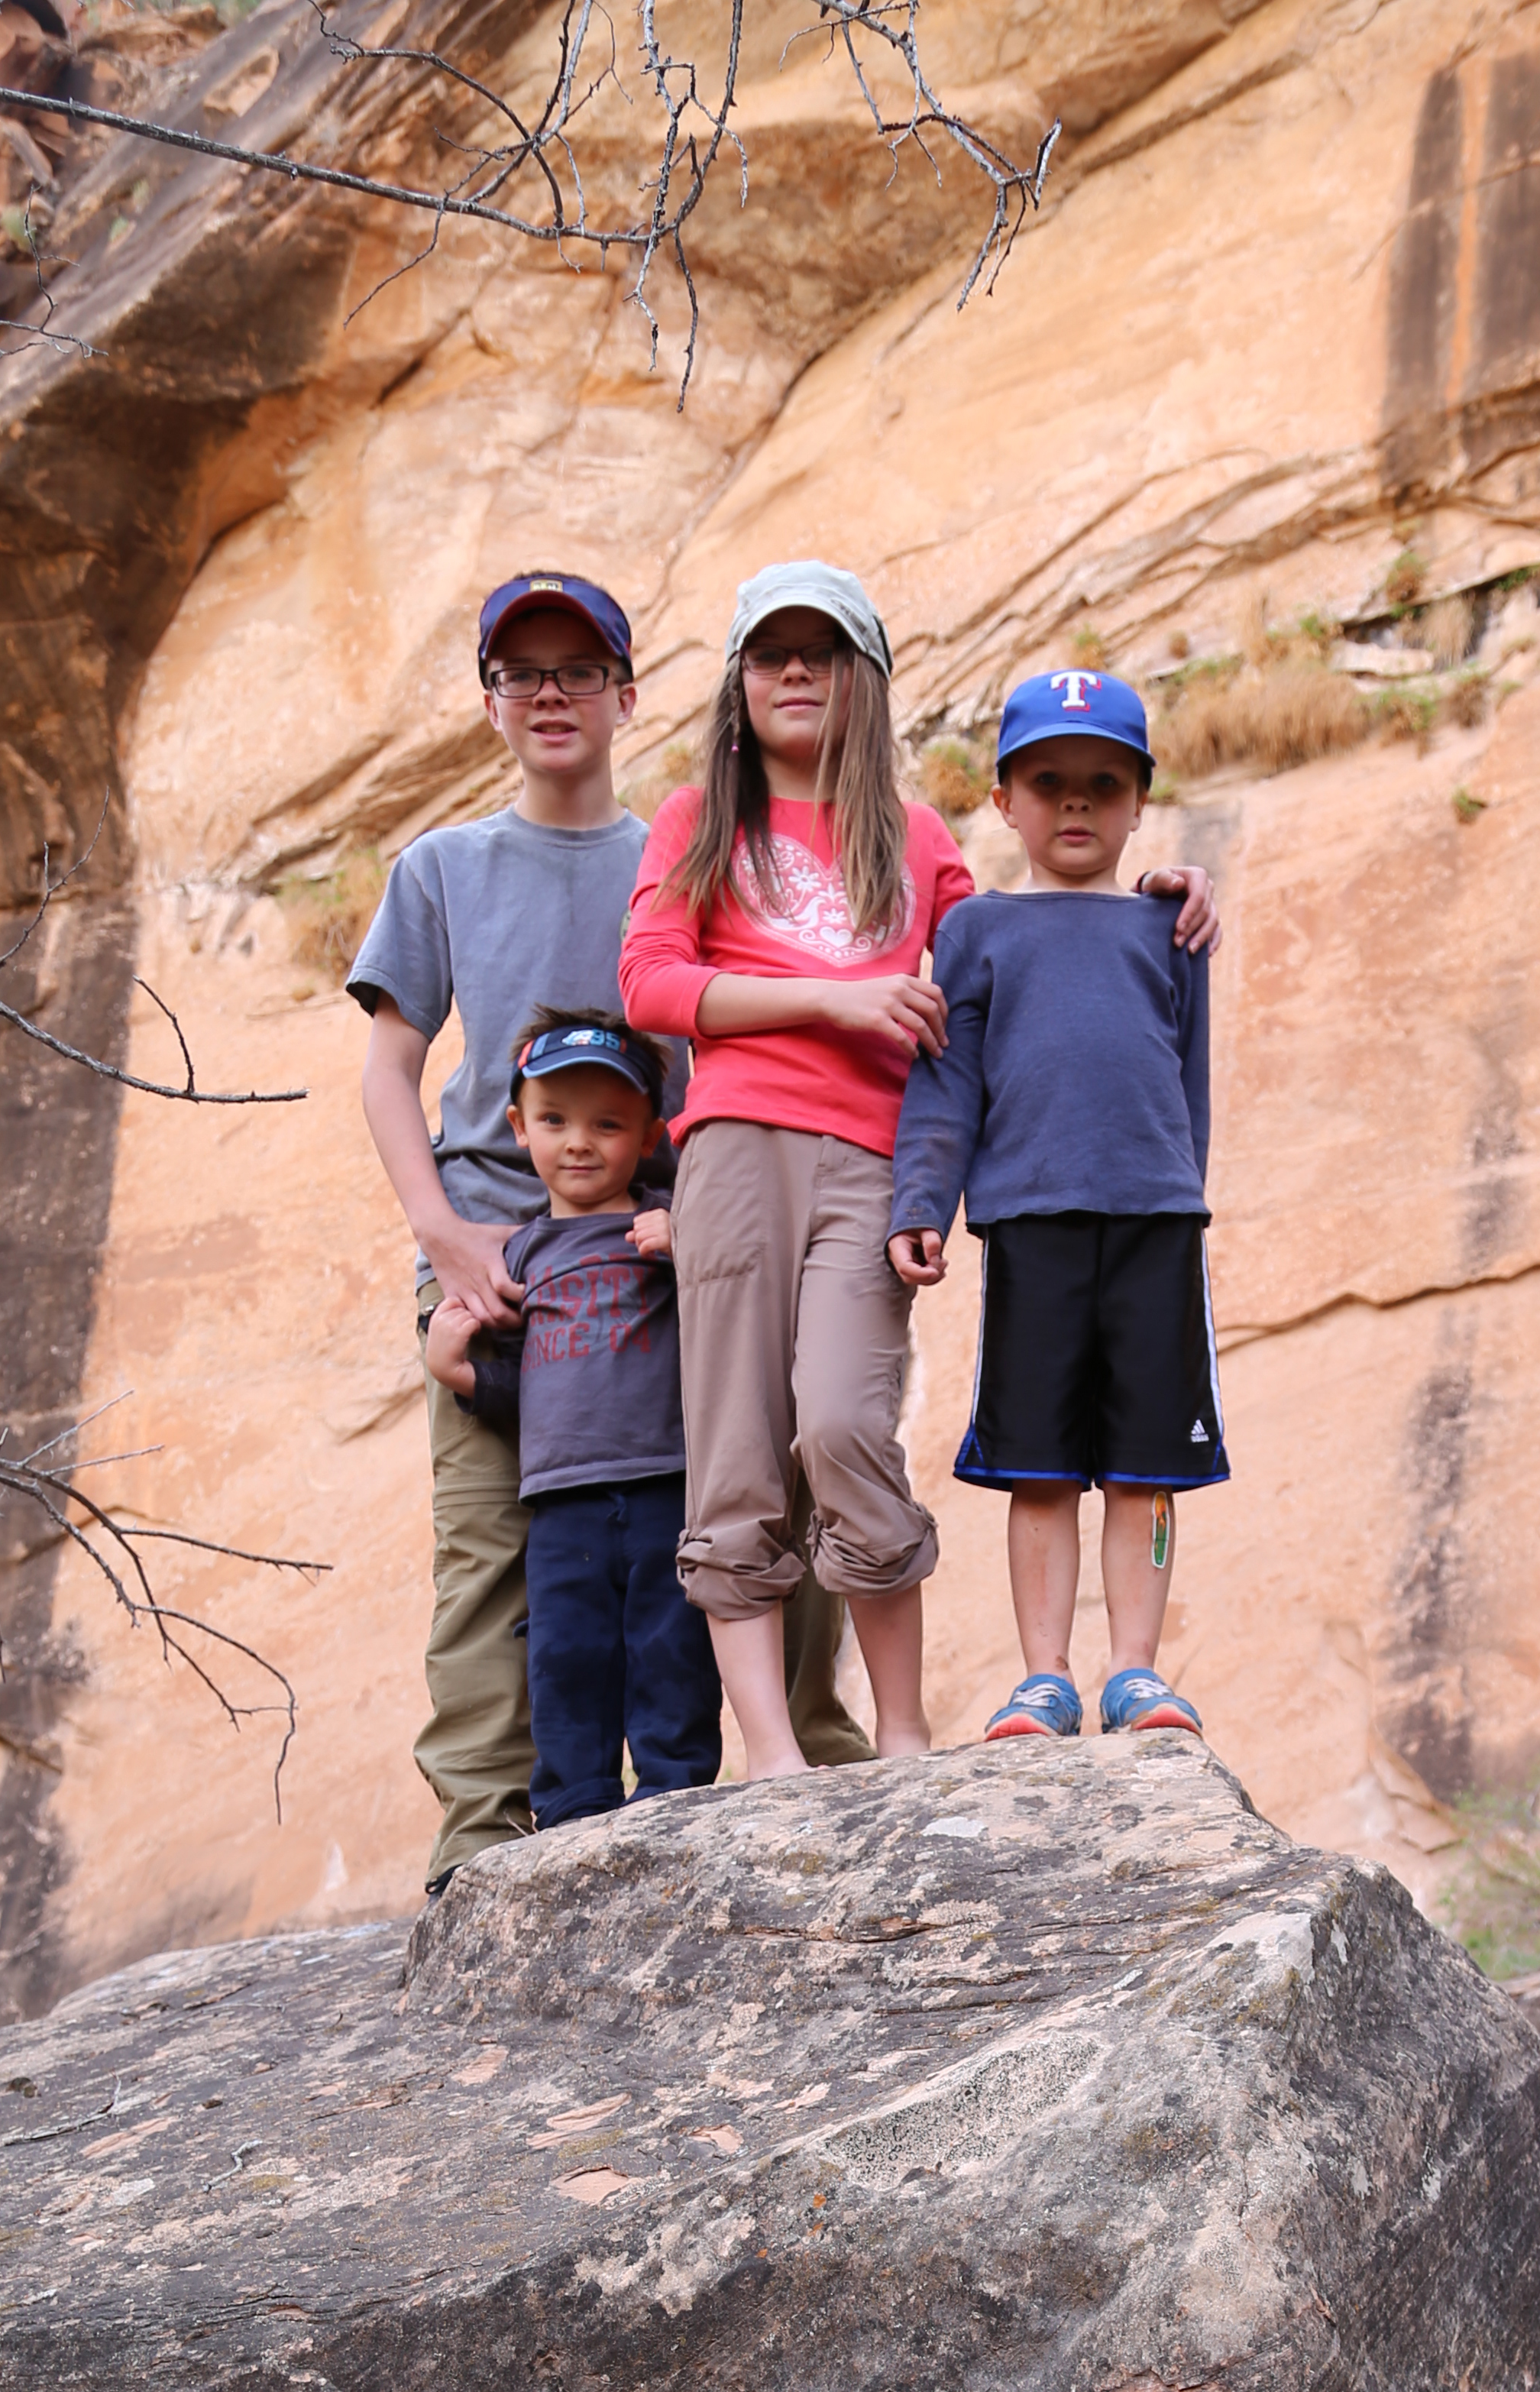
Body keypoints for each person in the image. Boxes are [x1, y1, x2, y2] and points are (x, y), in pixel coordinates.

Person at [620, 562, 1222, 1782]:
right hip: (732, 1147)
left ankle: (900, 1738)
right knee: (737, 1444)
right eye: (770, 653)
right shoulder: (699, 822)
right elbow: (650, 987)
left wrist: (1170, 892)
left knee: (846, 1423)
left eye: (825, 653)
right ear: (738, 684)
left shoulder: (919, 838)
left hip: (867, 1156)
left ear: (869, 684)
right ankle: (777, 1756)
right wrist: (835, 1000)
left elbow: (1013, 951)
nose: (797, 672)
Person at [349, 572, 860, 1897]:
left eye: (577, 671)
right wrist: (445, 1236)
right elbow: (386, 1068)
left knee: (760, 1489)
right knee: (493, 1550)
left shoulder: (694, 853)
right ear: (490, 703)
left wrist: (699, 1213)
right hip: (502, 1260)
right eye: (521, 674)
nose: (549, 695)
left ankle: (808, 1749)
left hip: (674, 1244)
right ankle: (483, 1841)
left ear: (628, 696)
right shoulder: (442, 867)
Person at [888, 668, 1223, 1741]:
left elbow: (1190, 1079)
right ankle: (1044, 1675)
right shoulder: (980, 929)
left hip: (1154, 1226)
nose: (1075, 804)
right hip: (1032, 1222)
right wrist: (923, 1199)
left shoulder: (1167, 927)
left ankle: (1135, 1670)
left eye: (1102, 784)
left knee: (1147, 1464)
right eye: (1049, 783)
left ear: (1138, 800)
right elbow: (949, 1078)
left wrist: (1186, 1193)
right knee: (1040, 1463)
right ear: (1004, 801)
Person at [422, 1016, 718, 1826]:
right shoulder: (517, 1256)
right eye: (554, 1120)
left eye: (608, 1124)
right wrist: (459, 1374)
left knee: (671, 1645)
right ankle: (574, 1808)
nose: (579, 1143)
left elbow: (730, 1309)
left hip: (665, 1480)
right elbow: (529, 1387)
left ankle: (676, 1791)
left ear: (651, 1133)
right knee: (565, 1653)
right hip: (561, 1500)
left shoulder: (657, 1226)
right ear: (519, 1127)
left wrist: (689, 1239)